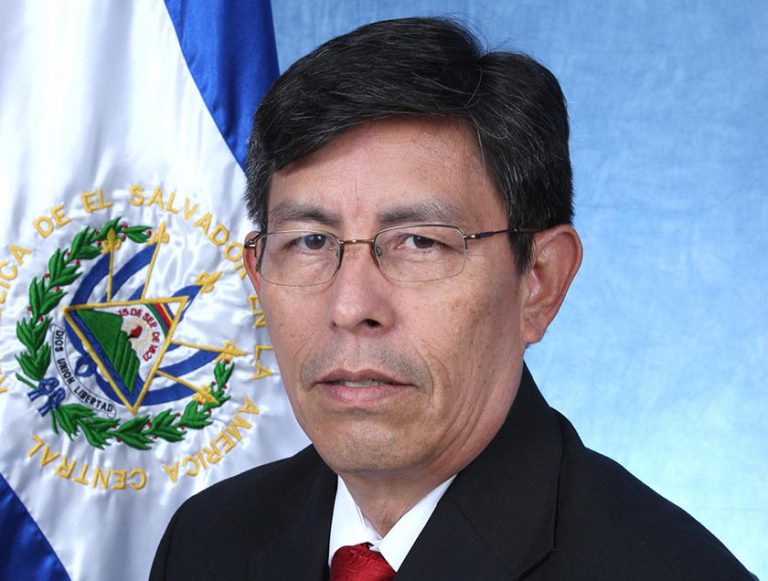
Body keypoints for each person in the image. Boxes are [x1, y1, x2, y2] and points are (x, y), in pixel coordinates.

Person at [150, 17, 754, 580]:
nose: (351, 306)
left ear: (540, 281)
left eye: (420, 242)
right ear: (257, 274)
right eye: (310, 241)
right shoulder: (206, 543)